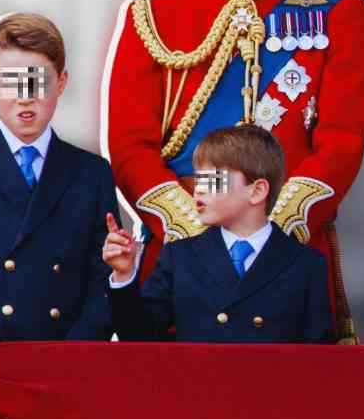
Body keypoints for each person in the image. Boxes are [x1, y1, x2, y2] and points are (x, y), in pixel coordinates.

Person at [102, 0, 364, 343]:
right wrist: (192, 232)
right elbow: (129, 146)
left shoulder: (338, 11)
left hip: (289, 262)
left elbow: (342, 143)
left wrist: (272, 232)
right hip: (180, 260)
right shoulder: (153, 15)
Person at [104, 125, 332, 343]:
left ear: (257, 191)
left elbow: (317, 361)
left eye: (213, 180)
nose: (198, 189)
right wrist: (124, 275)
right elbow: (138, 336)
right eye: (198, 180)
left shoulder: (306, 265)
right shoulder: (180, 257)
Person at [0, 13, 118, 343]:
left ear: (61, 83)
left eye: (38, 81)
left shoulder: (91, 174)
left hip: (63, 363)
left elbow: (102, 281)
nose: (25, 95)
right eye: (10, 81)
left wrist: (69, 357)